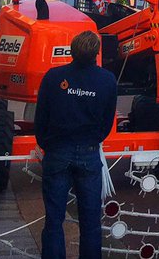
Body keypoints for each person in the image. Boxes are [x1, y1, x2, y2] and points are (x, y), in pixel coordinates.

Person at [35, 30, 117, 259]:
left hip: (58, 151)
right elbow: (107, 121)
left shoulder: (53, 77)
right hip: (89, 154)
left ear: (71, 50)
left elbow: (41, 117)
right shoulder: (107, 80)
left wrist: (48, 144)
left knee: (53, 219)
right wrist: (93, 139)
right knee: (91, 222)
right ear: (96, 53)